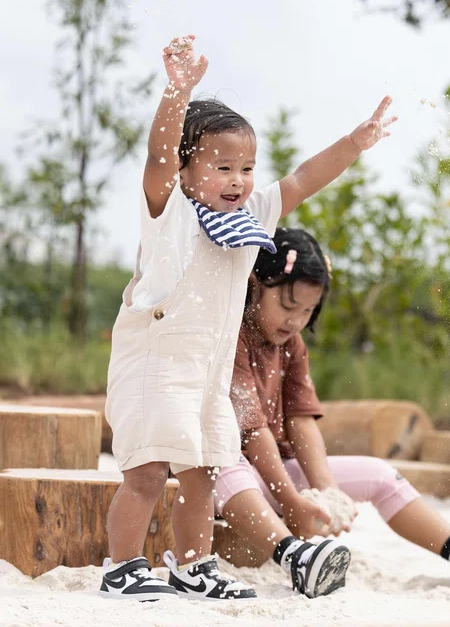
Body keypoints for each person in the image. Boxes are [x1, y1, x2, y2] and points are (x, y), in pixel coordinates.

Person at [99, 35, 397, 602]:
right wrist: (176, 93)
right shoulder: (170, 210)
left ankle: (192, 566)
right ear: (188, 171)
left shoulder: (253, 212)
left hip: (207, 372)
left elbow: (306, 177)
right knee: (147, 470)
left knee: (204, 469)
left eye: (247, 168)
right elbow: (159, 155)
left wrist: (355, 143)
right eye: (222, 167)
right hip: (155, 361)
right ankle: (123, 567)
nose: (239, 180)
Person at [213, 227, 450, 597]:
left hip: (271, 474)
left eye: (308, 311)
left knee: (380, 474)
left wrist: (327, 491)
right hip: (228, 480)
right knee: (222, 464)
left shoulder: (292, 344)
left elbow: (301, 421)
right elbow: (252, 431)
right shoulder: (229, 333)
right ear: (255, 284)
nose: (296, 321)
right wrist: (291, 502)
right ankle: (295, 557)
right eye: (288, 307)